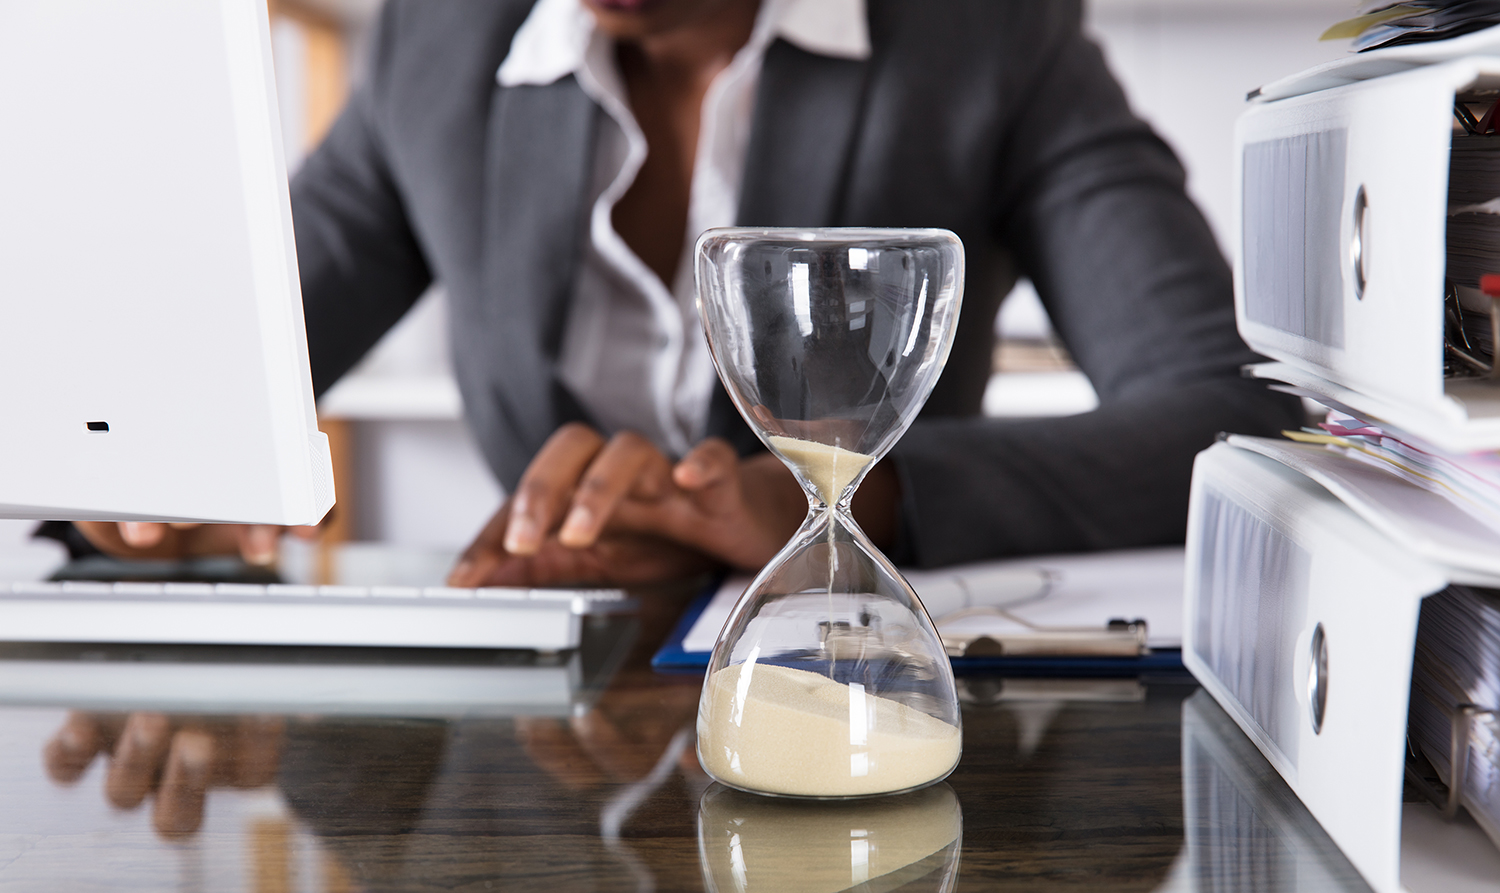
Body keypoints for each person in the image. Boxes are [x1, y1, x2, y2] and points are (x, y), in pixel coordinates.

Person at [76, 0, 1300, 584]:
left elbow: (1224, 407)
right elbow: (213, 380)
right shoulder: (436, 44)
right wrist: (159, 476)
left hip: (854, 708)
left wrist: (851, 505)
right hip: (536, 750)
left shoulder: (988, 41)